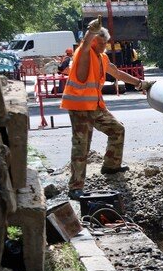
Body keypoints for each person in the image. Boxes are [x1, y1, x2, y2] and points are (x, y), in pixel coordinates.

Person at [60, 17, 149, 200]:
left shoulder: (102, 57)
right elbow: (84, 45)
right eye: (100, 43)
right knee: (81, 146)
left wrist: (140, 83)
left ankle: (111, 166)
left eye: (105, 44)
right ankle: (76, 187)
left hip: (95, 106)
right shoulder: (83, 53)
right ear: (93, 40)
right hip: (79, 108)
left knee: (117, 129)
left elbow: (116, 73)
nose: (103, 47)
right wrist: (91, 30)